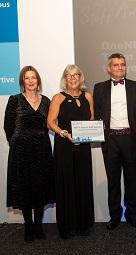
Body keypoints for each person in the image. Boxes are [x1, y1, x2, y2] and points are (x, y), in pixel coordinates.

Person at [93, 53, 136, 230]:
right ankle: (114, 216)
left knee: (131, 180)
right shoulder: (98, 88)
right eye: (115, 65)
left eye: (122, 64)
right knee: (113, 181)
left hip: (130, 139)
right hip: (110, 140)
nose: (120, 67)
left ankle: (132, 215)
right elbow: (96, 115)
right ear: (109, 68)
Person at [4, 66, 55, 242]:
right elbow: (8, 127)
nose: (31, 81)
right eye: (27, 78)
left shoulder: (47, 101)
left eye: (34, 78)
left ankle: (39, 225)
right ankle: (28, 225)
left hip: (42, 150)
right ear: (22, 81)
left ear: (38, 81)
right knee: (25, 188)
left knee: (41, 187)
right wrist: (17, 143)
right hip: (21, 152)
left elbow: (51, 123)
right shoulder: (14, 100)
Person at [47, 64, 95, 239]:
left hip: (83, 147)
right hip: (64, 146)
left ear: (81, 77)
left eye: (75, 75)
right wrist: (64, 133)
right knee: (66, 184)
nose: (72, 78)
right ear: (65, 78)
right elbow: (50, 122)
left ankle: (83, 224)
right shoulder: (58, 97)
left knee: (82, 182)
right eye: (69, 75)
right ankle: (66, 227)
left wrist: (92, 130)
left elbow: (91, 118)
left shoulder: (88, 96)